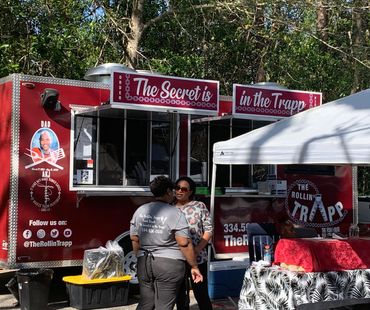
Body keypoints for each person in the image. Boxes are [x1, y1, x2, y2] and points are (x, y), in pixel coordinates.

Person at [130, 175, 203, 310]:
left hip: (144, 262)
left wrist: (139, 257)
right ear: (169, 191)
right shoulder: (175, 213)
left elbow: (134, 238)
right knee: (164, 305)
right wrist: (194, 266)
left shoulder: (140, 211)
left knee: (146, 303)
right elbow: (184, 243)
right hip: (169, 265)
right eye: (174, 189)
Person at [174, 176, 213, 310]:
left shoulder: (199, 206)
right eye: (177, 188)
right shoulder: (170, 208)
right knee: (180, 297)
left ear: (190, 192)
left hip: (198, 258)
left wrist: (196, 250)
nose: (179, 191)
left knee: (201, 294)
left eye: (184, 189)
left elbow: (208, 230)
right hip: (177, 258)